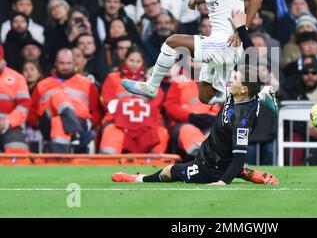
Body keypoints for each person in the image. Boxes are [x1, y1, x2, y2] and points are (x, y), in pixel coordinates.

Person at [121, 0, 277, 114]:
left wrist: (242, 31)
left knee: (172, 42)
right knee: (205, 97)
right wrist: (198, 0)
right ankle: (258, 94)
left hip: (226, 43)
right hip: (221, 46)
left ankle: (151, 86)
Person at [112, 65, 279, 185]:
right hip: (214, 153)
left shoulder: (242, 121)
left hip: (209, 169)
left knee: (170, 171)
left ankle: (138, 179)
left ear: (243, 89)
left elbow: (240, 156)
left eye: (235, 79)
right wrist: (241, 28)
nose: (231, 79)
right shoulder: (246, 94)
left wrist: (221, 183)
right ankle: (243, 172)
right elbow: (252, 72)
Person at [28, 48, 102, 153]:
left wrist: (91, 123)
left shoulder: (87, 84)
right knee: (58, 96)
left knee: (58, 122)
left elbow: (96, 111)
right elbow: (31, 113)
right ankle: (78, 133)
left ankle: (60, 162)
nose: (65, 67)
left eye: (69, 63)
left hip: (80, 121)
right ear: (55, 63)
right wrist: (37, 123)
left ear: (74, 63)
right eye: (61, 63)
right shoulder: (42, 85)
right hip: (47, 122)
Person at [99, 48, 169, 154]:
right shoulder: (113, 78)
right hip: (118, 123)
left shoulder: (150, 80)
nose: (134, 64)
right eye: (131, 60)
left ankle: (154, 166)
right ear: (125, 60)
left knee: (161, 133)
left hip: (146, 125)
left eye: (138, 61)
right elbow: (109, 103)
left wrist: (152, 82)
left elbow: (157, 102)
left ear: (142, 63)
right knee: (110, 132)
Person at [0, 44, 31, 153]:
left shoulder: (17, 78)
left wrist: (7, 121)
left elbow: (24, 105)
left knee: (18, 152)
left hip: (11, 126)